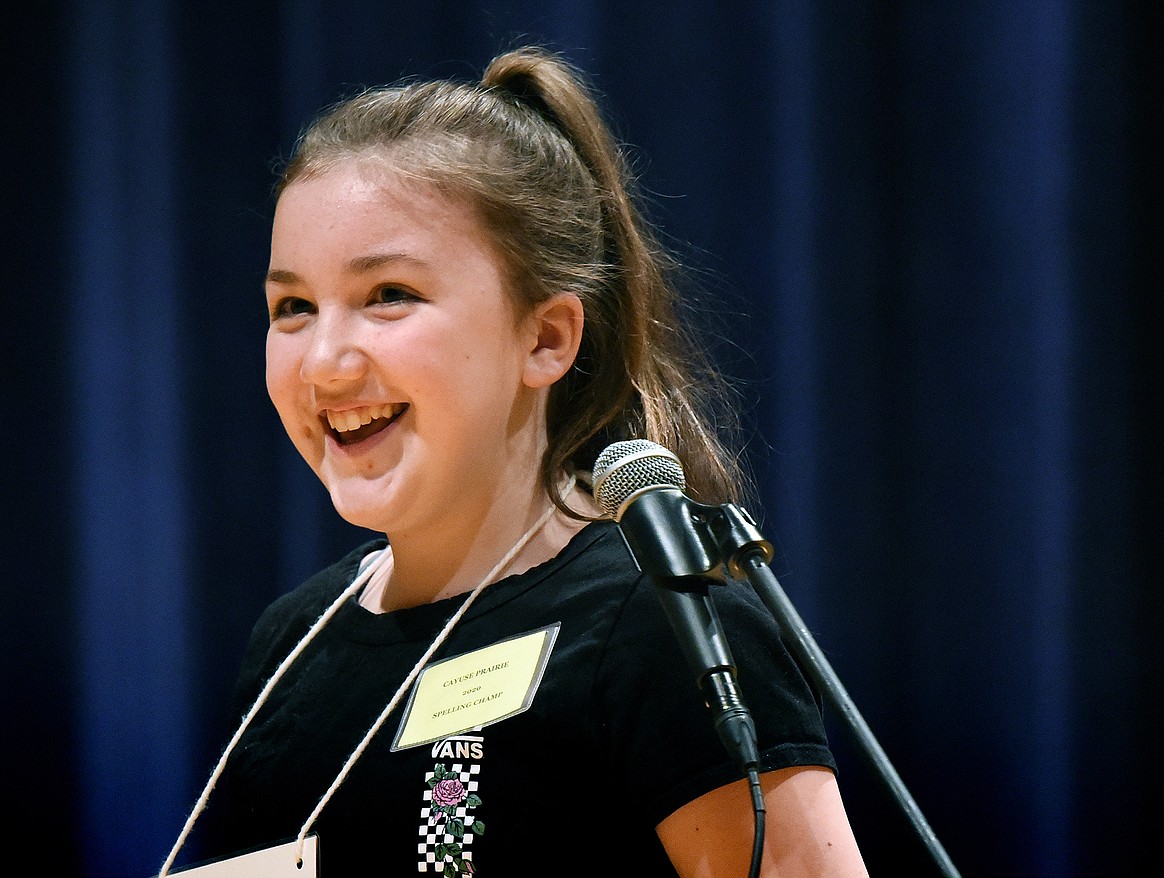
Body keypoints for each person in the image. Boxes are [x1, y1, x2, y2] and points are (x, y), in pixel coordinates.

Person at [160, 45, 869, 878]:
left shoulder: (658, 623)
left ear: (545, 338)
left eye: (389, 295)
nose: (323, 363)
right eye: (293, 307)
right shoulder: (290, 641)